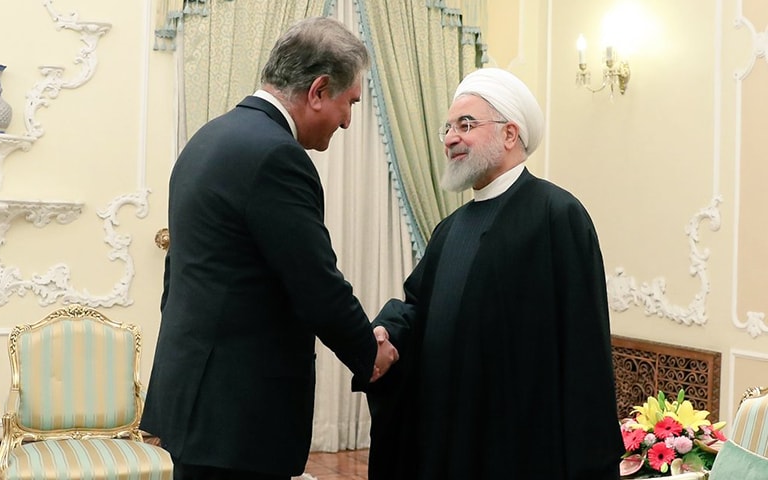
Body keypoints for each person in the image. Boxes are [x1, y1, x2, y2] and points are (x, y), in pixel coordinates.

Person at [141, 16, 398, 480]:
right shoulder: (277, 156)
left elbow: (177, 273)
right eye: (349, 103)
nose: (347, 120)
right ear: (319, 90)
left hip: (196, 399)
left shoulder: (207, 138)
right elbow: (315, 283)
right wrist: (368, 351)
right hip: (239, 414)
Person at [362, 68, 624, 479]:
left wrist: (589, 461)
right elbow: (419, 307)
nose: (450, 138)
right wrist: (387, 332)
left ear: (509, 134)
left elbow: (584, 346)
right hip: (446, 438)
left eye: (466, 125)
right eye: (447, 127)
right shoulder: (449, 229)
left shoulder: (558, 215)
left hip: (519, 447)